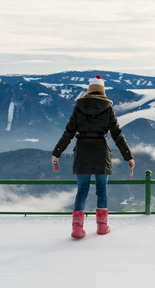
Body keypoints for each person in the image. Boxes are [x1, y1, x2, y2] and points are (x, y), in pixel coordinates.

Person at [52, 75, 135, 239]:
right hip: (101, 152)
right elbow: (117, 135)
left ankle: (77, 229)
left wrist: (57, 152)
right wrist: (128, 156)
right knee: (102, 190)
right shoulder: (108, 108)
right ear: (102, 91)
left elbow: (68, 133)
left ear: (89, 90)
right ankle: (102, 227)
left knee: (81, 191)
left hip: (82, 151)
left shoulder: (78, 107)